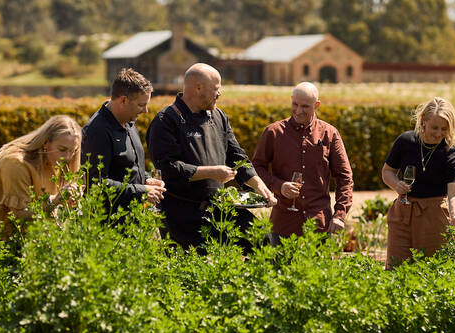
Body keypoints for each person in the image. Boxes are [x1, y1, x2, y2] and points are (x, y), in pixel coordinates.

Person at [146, 63, 276, 252]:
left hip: (219, 207)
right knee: (190, 271)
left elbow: (236, 155)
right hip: (182, 215)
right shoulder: (166, 120)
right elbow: (168, 168)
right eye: (216, 88)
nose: (220, 93)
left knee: (262, 241)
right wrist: (212, 172)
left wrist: (260, 186)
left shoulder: (218, 116)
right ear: (198, 88)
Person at [252, 82, 354, 240]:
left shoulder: (330, 134)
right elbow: (257, 168)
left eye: (305, 106)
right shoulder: (273, 132)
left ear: (317, 105)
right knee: (279, 265)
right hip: (283, 223)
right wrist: (279, 186)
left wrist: (340, 214)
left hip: (319, 224)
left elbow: (344, 176)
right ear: (291, 99)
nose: (298, 111)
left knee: (318, 266)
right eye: (295, 104)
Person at [0, 115, 82, 245]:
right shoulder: (15, 163)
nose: (68, 157)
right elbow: (20, 213)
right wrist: (55, 200)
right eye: (62, 149)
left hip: (21, 234)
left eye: (73, 151)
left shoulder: (54, 161)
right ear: (46, 142)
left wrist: (70, 198)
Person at [381, 97, 455, 268]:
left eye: (444, 128)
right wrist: (396, 184)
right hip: (402, 212)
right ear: (423, 120)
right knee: (396, 268)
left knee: (430, 270)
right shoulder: (405, 141)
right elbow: (387, 172)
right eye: (435, 127)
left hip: (434, 216)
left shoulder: (451, 153)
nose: (439, 133)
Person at [81, 68, 165, 224]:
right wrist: (142, 191)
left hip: (134, 220)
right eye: (141, 105)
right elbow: (96, 184)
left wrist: (146, 180)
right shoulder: (97, 131)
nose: (145, 111)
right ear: (123, 100)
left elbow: (128, 167)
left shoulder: (129, 122)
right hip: (109, 227)